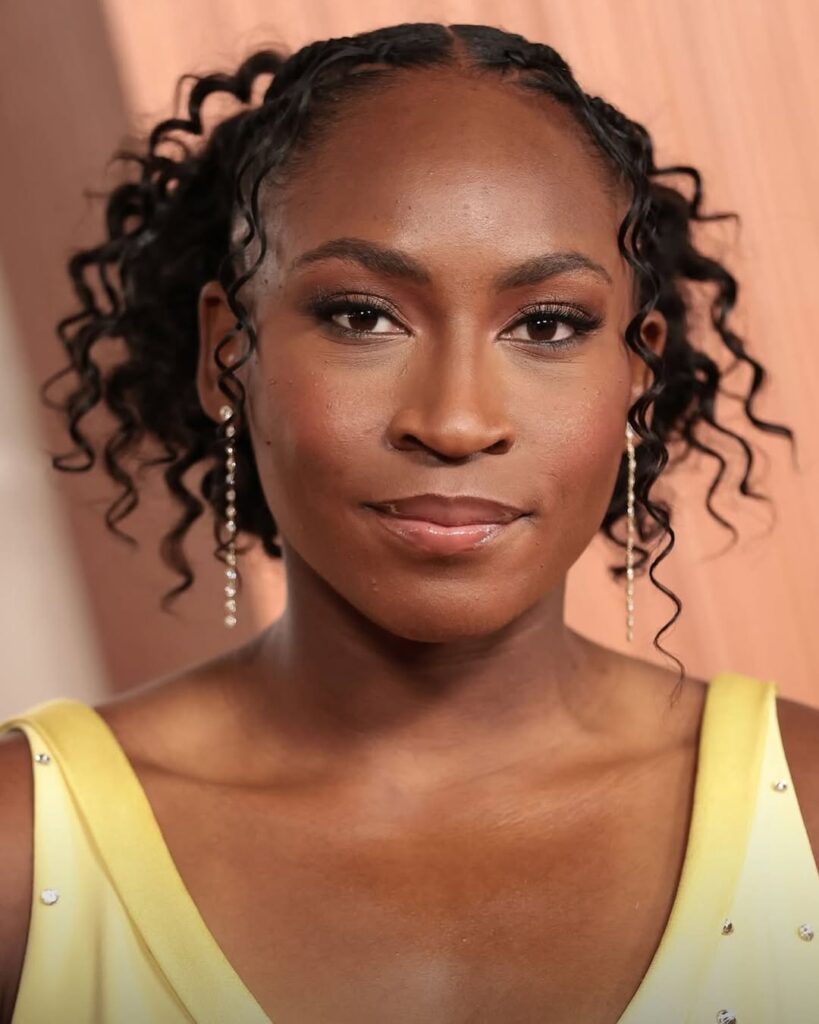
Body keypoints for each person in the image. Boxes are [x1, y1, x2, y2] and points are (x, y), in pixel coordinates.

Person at [1, 20, 817, 1024]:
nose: (456, 420)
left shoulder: (810, 814)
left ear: (636, 369)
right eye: (361, 315)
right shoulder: (21, 852)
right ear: (229, 355)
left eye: (548, 324)